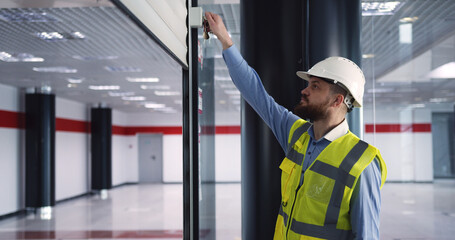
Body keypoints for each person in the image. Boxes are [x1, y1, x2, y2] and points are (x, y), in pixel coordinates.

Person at [204, 12, 387, 240]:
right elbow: (256, 93)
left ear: (337, 100)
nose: (304, 90)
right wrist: (225, 40)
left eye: (315, 86)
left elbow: (367, 235)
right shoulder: (297, 134)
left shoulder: (362, 164)